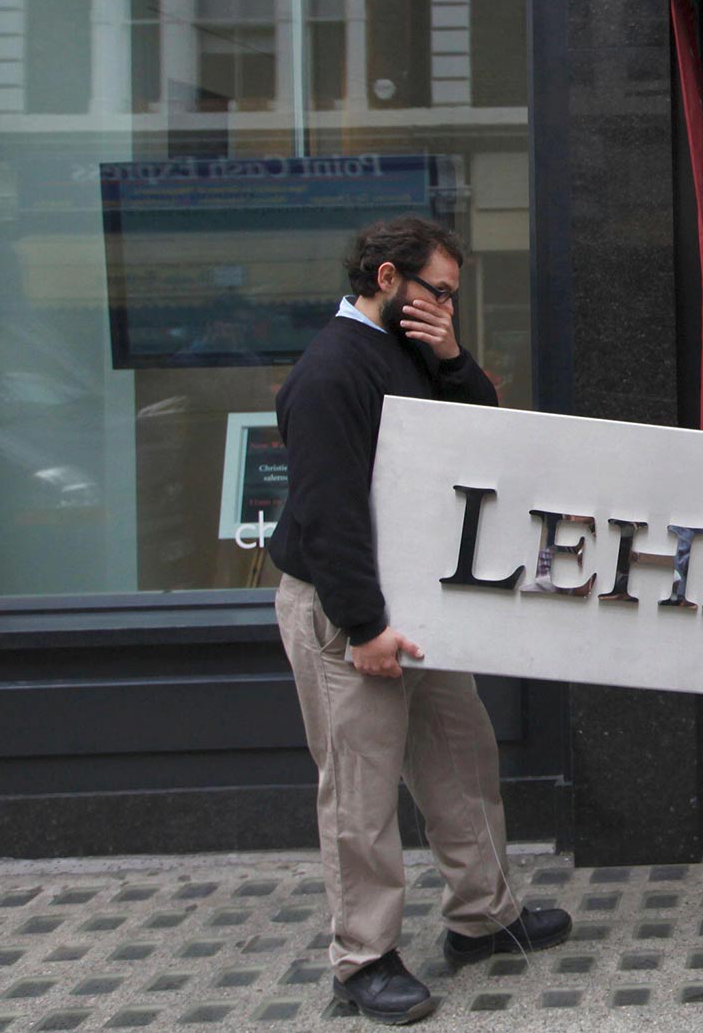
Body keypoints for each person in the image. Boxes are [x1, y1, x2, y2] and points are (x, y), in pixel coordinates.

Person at [269, 216, 572, 1025]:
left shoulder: (410, 348)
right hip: (349, 610)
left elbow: (480, 433)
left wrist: (451, 353)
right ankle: (362, 959)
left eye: (452, 296)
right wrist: (365, 626)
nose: (445, 305)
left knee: (460, 756)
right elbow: (327, 512)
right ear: (386, 276)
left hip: (415, 597)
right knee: (359, 790)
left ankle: (484, 915)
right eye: (437, 290)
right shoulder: (331, 371)